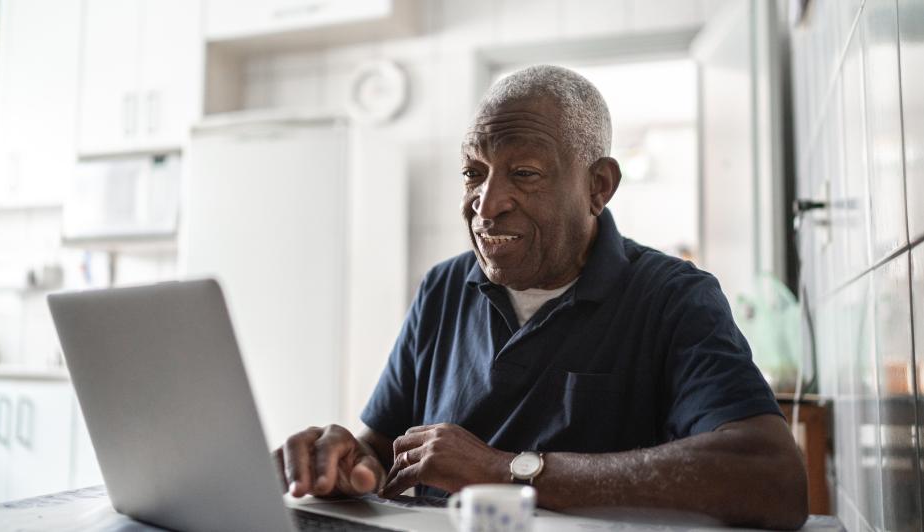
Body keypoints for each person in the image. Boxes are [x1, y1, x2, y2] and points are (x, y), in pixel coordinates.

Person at [274, 65, 808, 529]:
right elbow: (381, 453)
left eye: (524, 174)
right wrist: (344, 465)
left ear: (599, 186)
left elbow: (772, 476)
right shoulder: (442, 288)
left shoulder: (674, 298)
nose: (486, 205)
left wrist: (507, 470)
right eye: (473, 173)